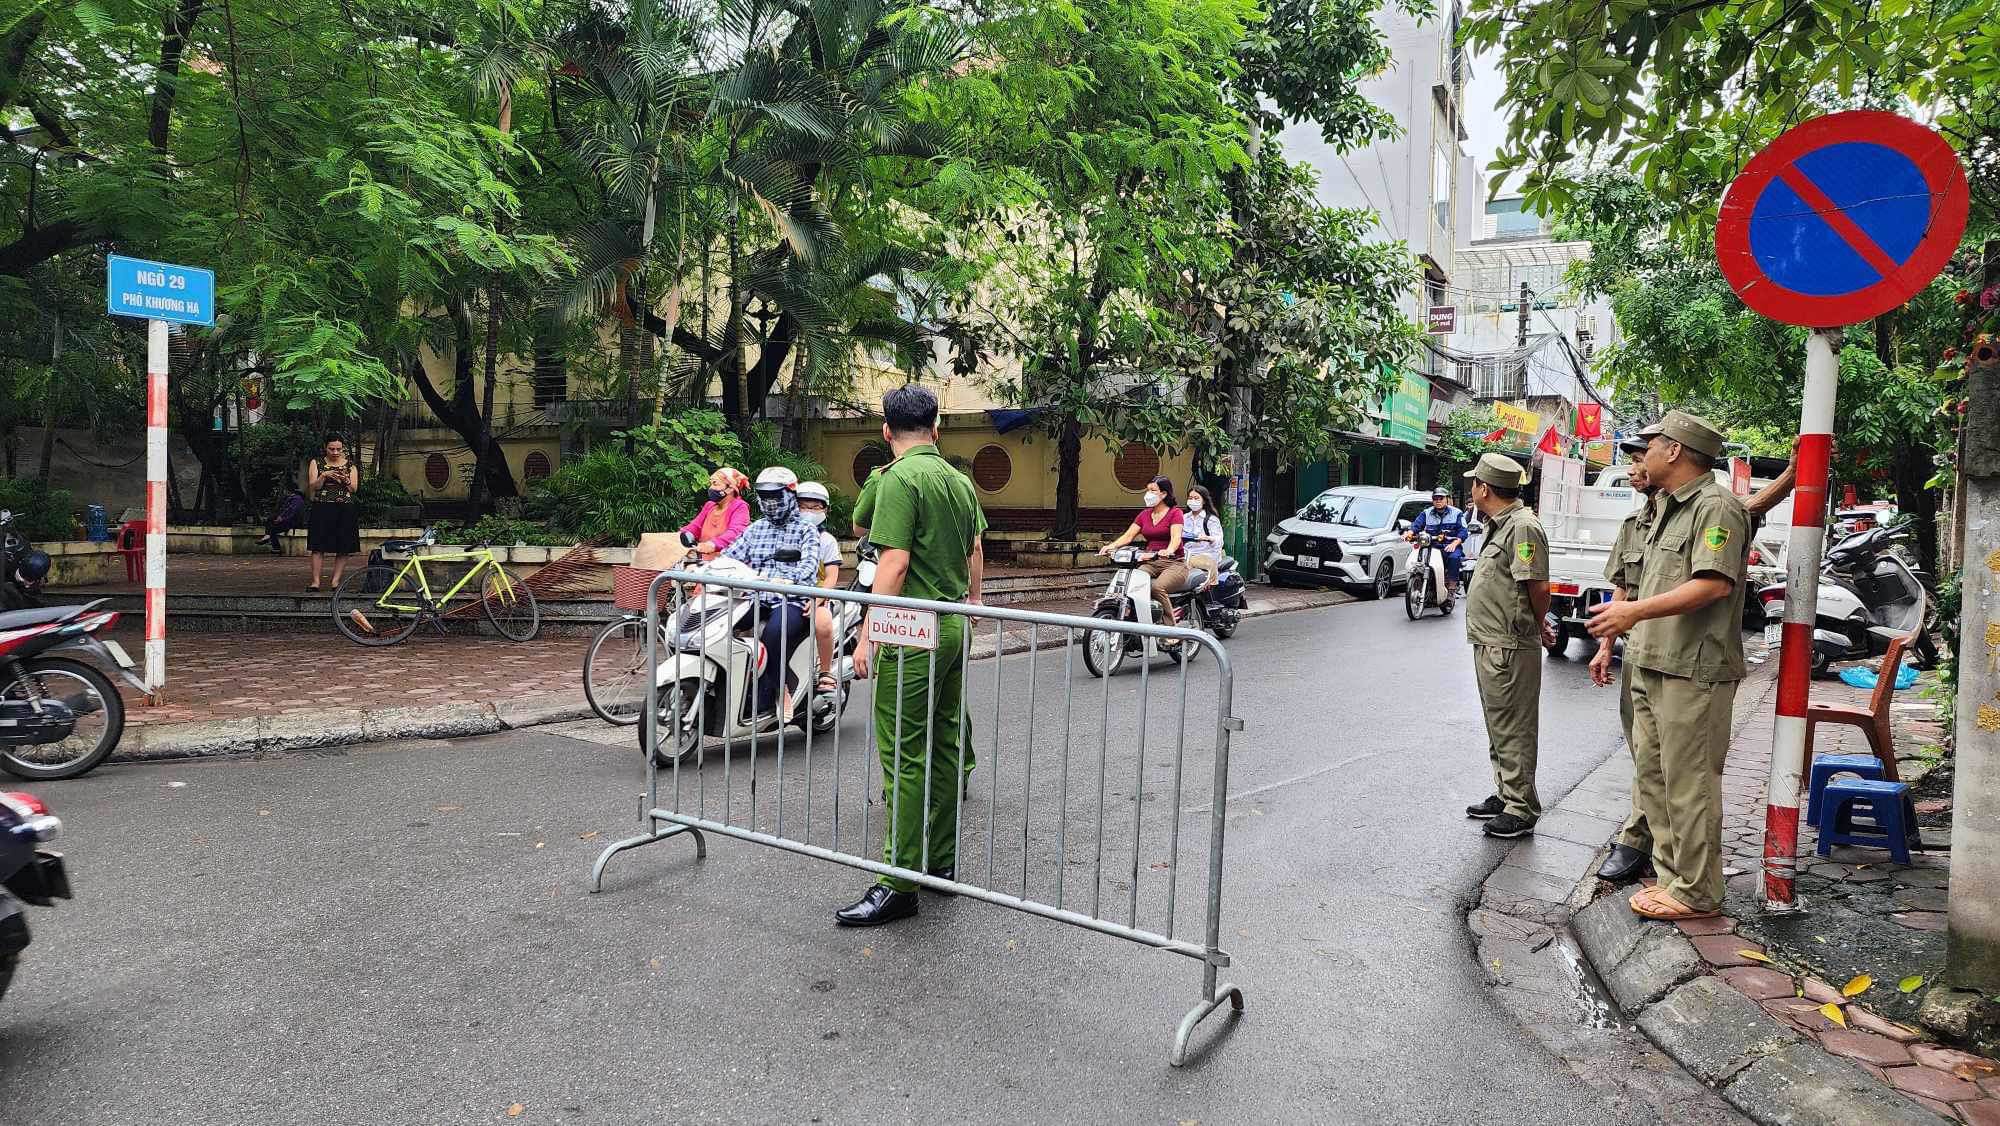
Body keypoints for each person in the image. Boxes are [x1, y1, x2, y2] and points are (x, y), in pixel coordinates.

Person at [1586, 410, 1751, 922]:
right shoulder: (1665, 509)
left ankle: (1698, 891)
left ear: (1675, 450)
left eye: (1652, 444)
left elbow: (1713, 584)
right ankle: (1672, 878)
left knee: (1689, 784)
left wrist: (1632, 612)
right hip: (1651, 661)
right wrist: (1624, 629)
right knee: (1654, 779)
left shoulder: (1715, 507)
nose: (1644, 455)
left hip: (1692, 669)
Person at [841, 384, 987, 927]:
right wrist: (973, 601)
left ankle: (899, 881)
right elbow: (976, 547)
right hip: (950, 625)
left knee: (904, 754)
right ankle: (940, 864)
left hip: (912, 631)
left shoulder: (899, 479)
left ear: (886, 431)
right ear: (936, 428)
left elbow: (894, 563)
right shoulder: (958, 480)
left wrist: (866, 635)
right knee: (945, 743)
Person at [1461, 453, 1552, 840]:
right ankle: (1506, 792)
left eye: (1474, 483)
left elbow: (1539, 588)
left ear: (1484, 489)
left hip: (1510, 644)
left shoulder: (1522, 527)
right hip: (1492, 641)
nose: (1471, 488)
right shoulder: (1500, 525)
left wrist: (1537, 624)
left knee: (1514, 726)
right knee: (1498, 723)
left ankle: (1521, 807)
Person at [1590, 432, 1661, 883]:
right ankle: (1647, 835)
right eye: (1631, 461)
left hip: (1673, 654)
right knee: (1640, 750)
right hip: (1635, 649)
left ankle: (1638, 839)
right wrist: (1605, 645)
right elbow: (1623, 587)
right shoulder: (1634, 524)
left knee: (1658, 755)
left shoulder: (1699, 513)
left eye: (1640, 459)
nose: (1633, 470)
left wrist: (1793, 475)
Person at [720, 467, 825, 720]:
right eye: (764, 497)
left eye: (776, 496)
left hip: (791, 599)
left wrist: (787, 579)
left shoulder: (806, 530)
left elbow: (809, 567)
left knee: (773, 633)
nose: (770, 502)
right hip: (756, 596)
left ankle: (779, 690)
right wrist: (703, 568)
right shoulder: (755, 529)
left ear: (790, 495)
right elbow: (730, 557)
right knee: (722, 623)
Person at [1097, 475, 1188, 627]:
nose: (1148, 494)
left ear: (1164, 494)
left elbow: (1176, 537)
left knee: (1157, 588)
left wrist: (1169, 550)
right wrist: (1111, 546)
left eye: (1153, 491)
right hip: (1151, 561)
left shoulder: (1175, 513)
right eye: (1148, 490)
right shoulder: (1144, 515)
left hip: (1174, 563)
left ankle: (1170, 631)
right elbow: (1128, 536)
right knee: (1133, 583)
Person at [797, 480, 844, 701]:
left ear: (825, 510)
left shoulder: (827, 541)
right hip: (785, 595)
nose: (809, 512)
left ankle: (826, 672)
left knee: (823, 624)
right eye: (803, 506)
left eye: (815, 507)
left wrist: (818, 599)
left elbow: (832, 576)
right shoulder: (785, 536)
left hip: (818, 596)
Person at [305, 435, 361, 591]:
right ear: (326, 448)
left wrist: (345, 480)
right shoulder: (317, 463)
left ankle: (335, 582)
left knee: (344, 546)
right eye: (331, 449)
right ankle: (315, 582)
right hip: (322, 507)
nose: (335, 452)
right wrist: (324, 475)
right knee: (317, 545)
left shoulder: (350, 465)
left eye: (338, 449)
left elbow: (354, 489)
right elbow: (313, 486)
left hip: (345, 508)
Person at [1405, 486, 1471, 600]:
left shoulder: (1457, 513)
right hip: (1432, 546)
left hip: (1450, 546)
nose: (1438, 501)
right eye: (1435, 498)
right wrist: (1409, 533)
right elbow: (1416, 525)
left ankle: (1452, 589)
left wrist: (1455, 543)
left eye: (1441, 498)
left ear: (1447, 499)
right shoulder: (1426, 513)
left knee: (1454, 557)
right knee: (1420, 559)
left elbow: (1463, 531)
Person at [681, 467, 752, 560]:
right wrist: (684, 534)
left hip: (726, 563)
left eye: (715, 483)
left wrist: (713, 544)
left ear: (730, 488)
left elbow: (736, 532)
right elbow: (695, 526)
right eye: (711, 484)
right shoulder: (710, 505)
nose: (711, 488)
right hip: (703, 562)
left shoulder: (740, 506)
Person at [1181, 485, 1224, 592]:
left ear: (1204, 501)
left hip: (1205, 554)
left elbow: (1218, 541)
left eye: (1196, 498)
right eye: (1190, 498)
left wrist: (1208, 538)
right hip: (1186, 555)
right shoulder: (1184, 518)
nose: (1193, 501)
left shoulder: (1211, 519)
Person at [257, 488, 308, 554]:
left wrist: (282, 519)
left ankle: (273, 544)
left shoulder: (296, 499)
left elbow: (291, 512)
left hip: (292, 522)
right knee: (271, 522)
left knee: (272, 528)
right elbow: (286, 511)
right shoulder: (293, 499)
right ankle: (270, 539)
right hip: (290, 521)